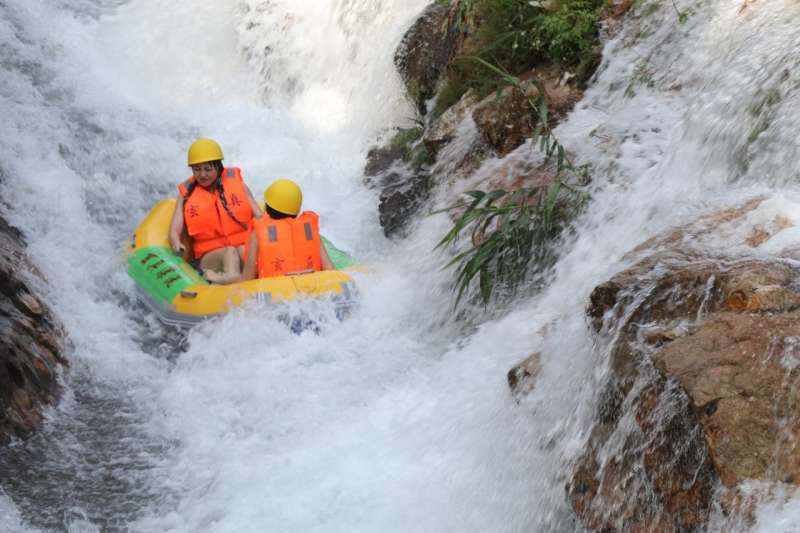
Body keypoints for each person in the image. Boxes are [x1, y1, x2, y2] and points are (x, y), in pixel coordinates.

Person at [205, 178, 334, 284]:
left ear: (267, 207)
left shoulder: (258, 234)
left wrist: (220, 278)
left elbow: (247, 279)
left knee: (237, 254)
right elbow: (330, 269)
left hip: (273, 293)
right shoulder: (309, 230)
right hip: (309, 288)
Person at [168, 139, 263, 277]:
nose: (202, 175)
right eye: (197, 169)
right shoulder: (186, 194)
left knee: (244, 251)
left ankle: (257, 282)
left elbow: (260, 217)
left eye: (208, 169)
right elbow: (174, 230)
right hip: (209, 255)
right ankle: (230, 284)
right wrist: (176, 243)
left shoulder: (237, 184)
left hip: (241, 245)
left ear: (218, 168)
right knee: (230, 252)